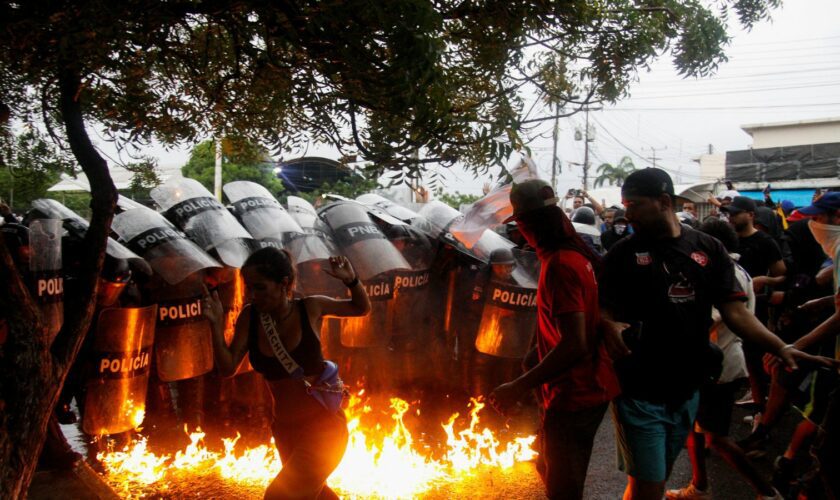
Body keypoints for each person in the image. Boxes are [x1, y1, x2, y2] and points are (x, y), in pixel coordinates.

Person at [598, 168, 826, 500]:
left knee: (653, 481)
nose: (627, 213)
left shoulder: (708, 248)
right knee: (648, 486)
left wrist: (781, 347)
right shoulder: (622, 254)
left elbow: (735, 312)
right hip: (640, 388)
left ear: (664, 201)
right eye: (625, 204)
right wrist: (607, 324)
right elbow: (603, 306)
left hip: (689, 386)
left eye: (635, 204)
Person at [489, 178, 620, 500]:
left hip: (576, 392)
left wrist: (518, 385)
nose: (519, 235)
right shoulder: (573, 255)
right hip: (577, 388)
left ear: (528, 224)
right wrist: (537, 352)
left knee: (564, 487)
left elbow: (575, 343)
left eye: (519, 226)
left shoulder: (561, 264)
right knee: (547, 467)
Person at [204, 248, 370, 500]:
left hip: (324, 428)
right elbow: (227, 368)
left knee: (278, 496)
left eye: (260, 287)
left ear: (284, 284)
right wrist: (215, 325)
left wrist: (351, 280)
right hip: (285, 430)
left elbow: (360, 308)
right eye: (249, 288)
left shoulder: (310, 307)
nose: (253, 295)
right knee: (316, 495)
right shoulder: (251, 316)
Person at [666, 218, 782, 500]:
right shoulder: (734, 268)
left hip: (719, 365)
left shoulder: (724, 272)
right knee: (695, 427)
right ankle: (700, 485)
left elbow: (711, 319)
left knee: (716, 437)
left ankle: (767, 493)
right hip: (713, 361)